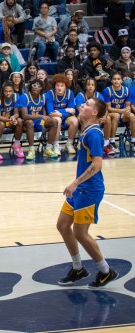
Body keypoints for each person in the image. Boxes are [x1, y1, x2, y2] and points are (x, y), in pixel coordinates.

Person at [56, 97, 120, 288]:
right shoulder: (86, 131)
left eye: (88, 105)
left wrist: (75, 182)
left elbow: (97, 164)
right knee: (62, 225)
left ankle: (105, 271)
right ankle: (78, 269)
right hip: (80, 190)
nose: (83, 106)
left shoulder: (94, 134)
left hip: (89, 190)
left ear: (94, 113)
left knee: (80, 233)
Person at [20, 78, 61, 160]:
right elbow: (24, 116)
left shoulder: (43, 97)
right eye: (34, 85)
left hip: (39, 123)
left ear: (42, 88)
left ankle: (48, 148)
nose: (36, 87)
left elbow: (47, 111)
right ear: (30, 86)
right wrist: (40, 116)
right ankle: (31, 150)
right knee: (29, 122)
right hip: (26, 122)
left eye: (39, 86)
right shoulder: (24, 96)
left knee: (54, 122)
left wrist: (46, 117)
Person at [46, 74, 79, 154]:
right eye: (57, 85)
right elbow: (51, 112)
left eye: (62, 85)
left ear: (65, 86)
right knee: (58, 120)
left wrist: (61, 113)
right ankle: (56, 145)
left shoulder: (70, 93)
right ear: (55, 86)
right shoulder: (50, 94)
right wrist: (66, 109)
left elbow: (72, 111)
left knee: (75, 121)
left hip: (65, 117)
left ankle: (69, 144)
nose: (59, 88)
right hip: (52, 119)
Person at [102, 72, 135, 154]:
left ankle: (133, 140)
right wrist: (121, 111)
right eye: (114, 79)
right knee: (116, 115)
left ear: (121, 81)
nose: (116, 81)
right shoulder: (107, 90)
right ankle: (112, 141)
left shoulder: (126, 90)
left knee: (132, 116)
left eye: (118, 79)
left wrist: (126, 111)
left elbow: (128, 106)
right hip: (110, 113)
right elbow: (108, 108)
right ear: (112, 81)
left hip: (122, 113)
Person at [0, 80, 24, 158]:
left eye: (10, 91)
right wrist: (10, 120)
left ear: (13, 91)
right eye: (6, 91)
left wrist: (14, 118)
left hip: (9, 120)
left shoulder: (16, 97)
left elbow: (16, 113)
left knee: (19, 121)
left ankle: (16, 145)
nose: (8, 93)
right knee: (1, 123)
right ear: (2, 91)